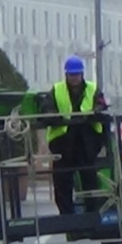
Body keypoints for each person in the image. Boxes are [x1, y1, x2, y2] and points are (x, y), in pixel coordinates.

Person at [43, 55, 108, 217]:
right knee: (62, 182)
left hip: (87, 142)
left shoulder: (92, 88)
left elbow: (101, 104)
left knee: (90, 180)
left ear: (82, 74)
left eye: (77, 74)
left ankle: (91, 215)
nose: (74, 78)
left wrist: (95, 112)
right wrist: (54, 117)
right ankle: (67, 216)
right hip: (64, 143)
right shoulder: (57, 90)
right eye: (72, 75)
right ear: (66, 74)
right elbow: (47, 109)